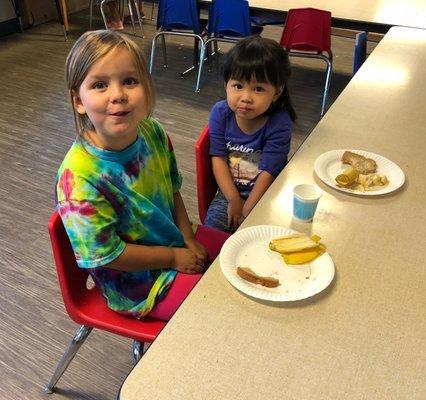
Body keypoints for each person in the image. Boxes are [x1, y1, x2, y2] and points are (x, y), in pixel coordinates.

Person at [56, 30, 220, 322]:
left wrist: (186, 238)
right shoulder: (79, 180)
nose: (118, 95)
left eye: (129, 81)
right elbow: (111, 255)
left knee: (240, 257)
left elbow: (171, 190)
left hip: (174, 241)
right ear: (78, 100)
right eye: (100, 85)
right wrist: (173, 257)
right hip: (138, 285)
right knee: (216, 308)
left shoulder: (153, 132)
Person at [204, 35, 297, 233]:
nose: (246, 98)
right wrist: (234, 199)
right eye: (238, 86)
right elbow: (218, 158)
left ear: (277, 92)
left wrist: (247, 211)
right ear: (226, 85)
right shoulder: (220, 113)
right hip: (229, 191)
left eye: (258, 89)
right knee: (212, 233)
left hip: (266, 193)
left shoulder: (279, 123)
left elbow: (268, 172)